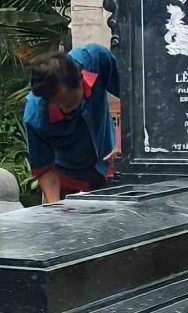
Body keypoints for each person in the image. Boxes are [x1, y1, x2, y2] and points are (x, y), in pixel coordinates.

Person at [23, 43, 120, 204]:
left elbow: (132, 92)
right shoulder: (35, 116)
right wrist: (54, 206)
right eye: (59, 103)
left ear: (80, 78)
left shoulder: (96, 58)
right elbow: (45, 168)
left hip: (109, 164)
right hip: (68, 182)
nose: (66, 109)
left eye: (71, 101)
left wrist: (124, 141)